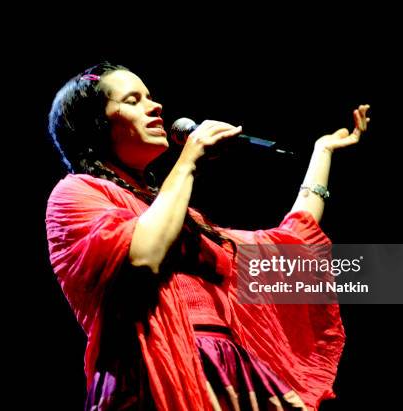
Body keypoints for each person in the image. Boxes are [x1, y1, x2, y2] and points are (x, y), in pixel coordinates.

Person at [45, 62, 370, 411]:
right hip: (153, 371)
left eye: (150, 97)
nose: (155, 107)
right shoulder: (75, 194)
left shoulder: (184, 218)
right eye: (133, 99)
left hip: (227, 370)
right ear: (97, 123)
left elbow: (285, 245)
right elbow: (143, 256)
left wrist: (322, 152)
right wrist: (188, 161)